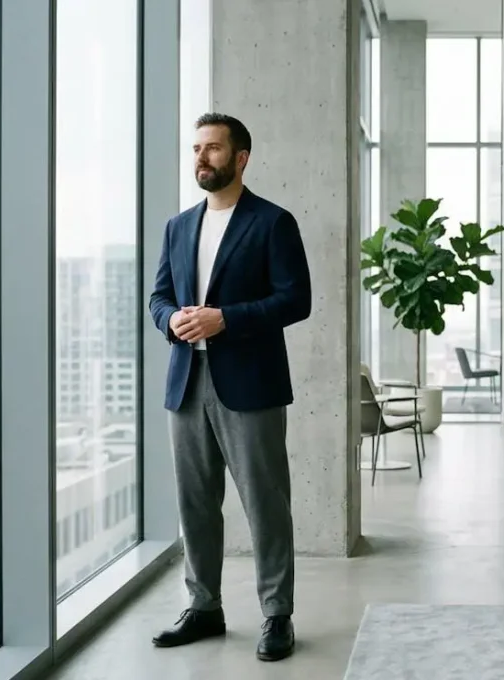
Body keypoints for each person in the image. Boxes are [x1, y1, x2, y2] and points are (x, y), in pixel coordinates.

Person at [147, 112, 311, 662]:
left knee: (265, 503)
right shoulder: (177, 227)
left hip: (250, 385)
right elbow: (159, 298)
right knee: (195, 504)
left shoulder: (272, 223)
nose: (201, 158)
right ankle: (204, 607)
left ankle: (276, 615)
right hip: (186, 383)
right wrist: (170, 320)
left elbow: (296, 300)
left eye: (213, 149)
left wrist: (227, 320)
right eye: (196, 148)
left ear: (240, 158)